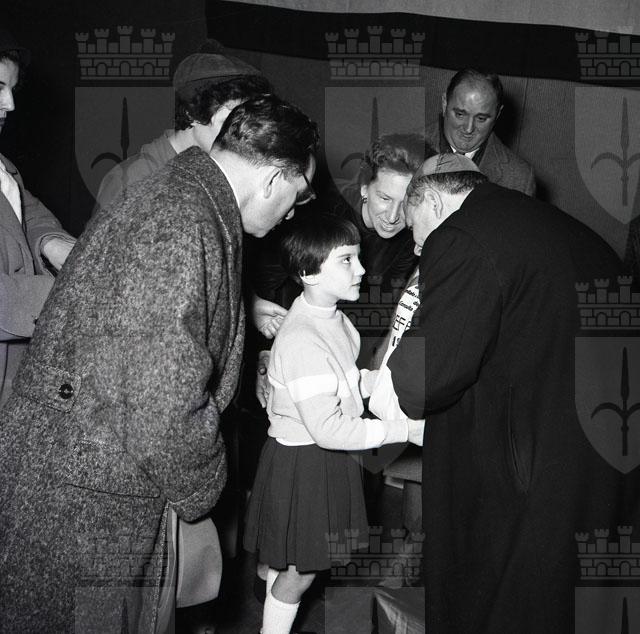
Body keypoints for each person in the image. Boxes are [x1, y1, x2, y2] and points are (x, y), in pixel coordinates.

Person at [0, 94, 319, 633]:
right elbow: (160, 400)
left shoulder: (184, 196)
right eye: (298, 194)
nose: (293, 212)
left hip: (88, 474)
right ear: (272, 179)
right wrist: (205, 486)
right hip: (89, 493)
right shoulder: (181, 220)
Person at [388, 153, 636, 632]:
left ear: (434, 202)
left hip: (528, 471)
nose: (418, 249)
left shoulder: (461, 235)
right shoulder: (555, 224)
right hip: (602, 454)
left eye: (416, 232)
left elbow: (421, 383)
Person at [243, 212, 424, 634]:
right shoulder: (304, 339)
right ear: (308, 273)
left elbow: (345, 381)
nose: (361, 269)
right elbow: (329, 428)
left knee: (287, 561)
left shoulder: (334, 319)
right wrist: (405, 430)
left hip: (318, 458)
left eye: (358, 257)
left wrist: (385, 383)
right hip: (306, 462)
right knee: (301, 572)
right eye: (346, 260)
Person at [254, 132, 428, 404]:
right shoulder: (318, 211)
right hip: (282, 337)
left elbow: (378, 308)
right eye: (384, 198)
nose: (394, 216)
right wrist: (266, 351)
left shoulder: (410, 236)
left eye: (406, 203)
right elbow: (264, 286)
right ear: (364, 188)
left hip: (340, 349)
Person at [93, 40, 271, 211]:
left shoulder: (207, 172)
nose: (238, 134)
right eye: (228, 123)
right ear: (192, 113)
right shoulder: (132, 180)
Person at [0, 30, 75, 405]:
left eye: (12, 89)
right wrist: (74, 295)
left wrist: (51, 241)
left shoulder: (4, 166)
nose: (10, 104)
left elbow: (23, 210)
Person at [426, 68, 536, 196]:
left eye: (481, 119)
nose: (468, 129)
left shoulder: (520, 178)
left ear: (498, 114)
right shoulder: (406, 152)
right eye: (460, 114)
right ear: (445, 104)